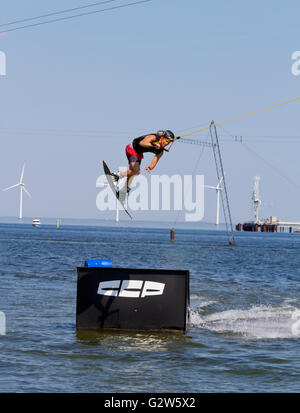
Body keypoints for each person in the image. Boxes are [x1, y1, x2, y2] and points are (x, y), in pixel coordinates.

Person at [112, 130, 175, 201]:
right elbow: (142, 143)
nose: (167, 143)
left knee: (134, 172)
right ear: (162, 137)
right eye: (166, 141)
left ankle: (123, 190)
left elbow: (155, 160)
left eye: (169, 143)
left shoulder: (160, 151)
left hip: (138, 154)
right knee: (136, 171)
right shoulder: (154, 137)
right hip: (132, 148)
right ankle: (116, 175)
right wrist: (153, 145)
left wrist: (150, 167)